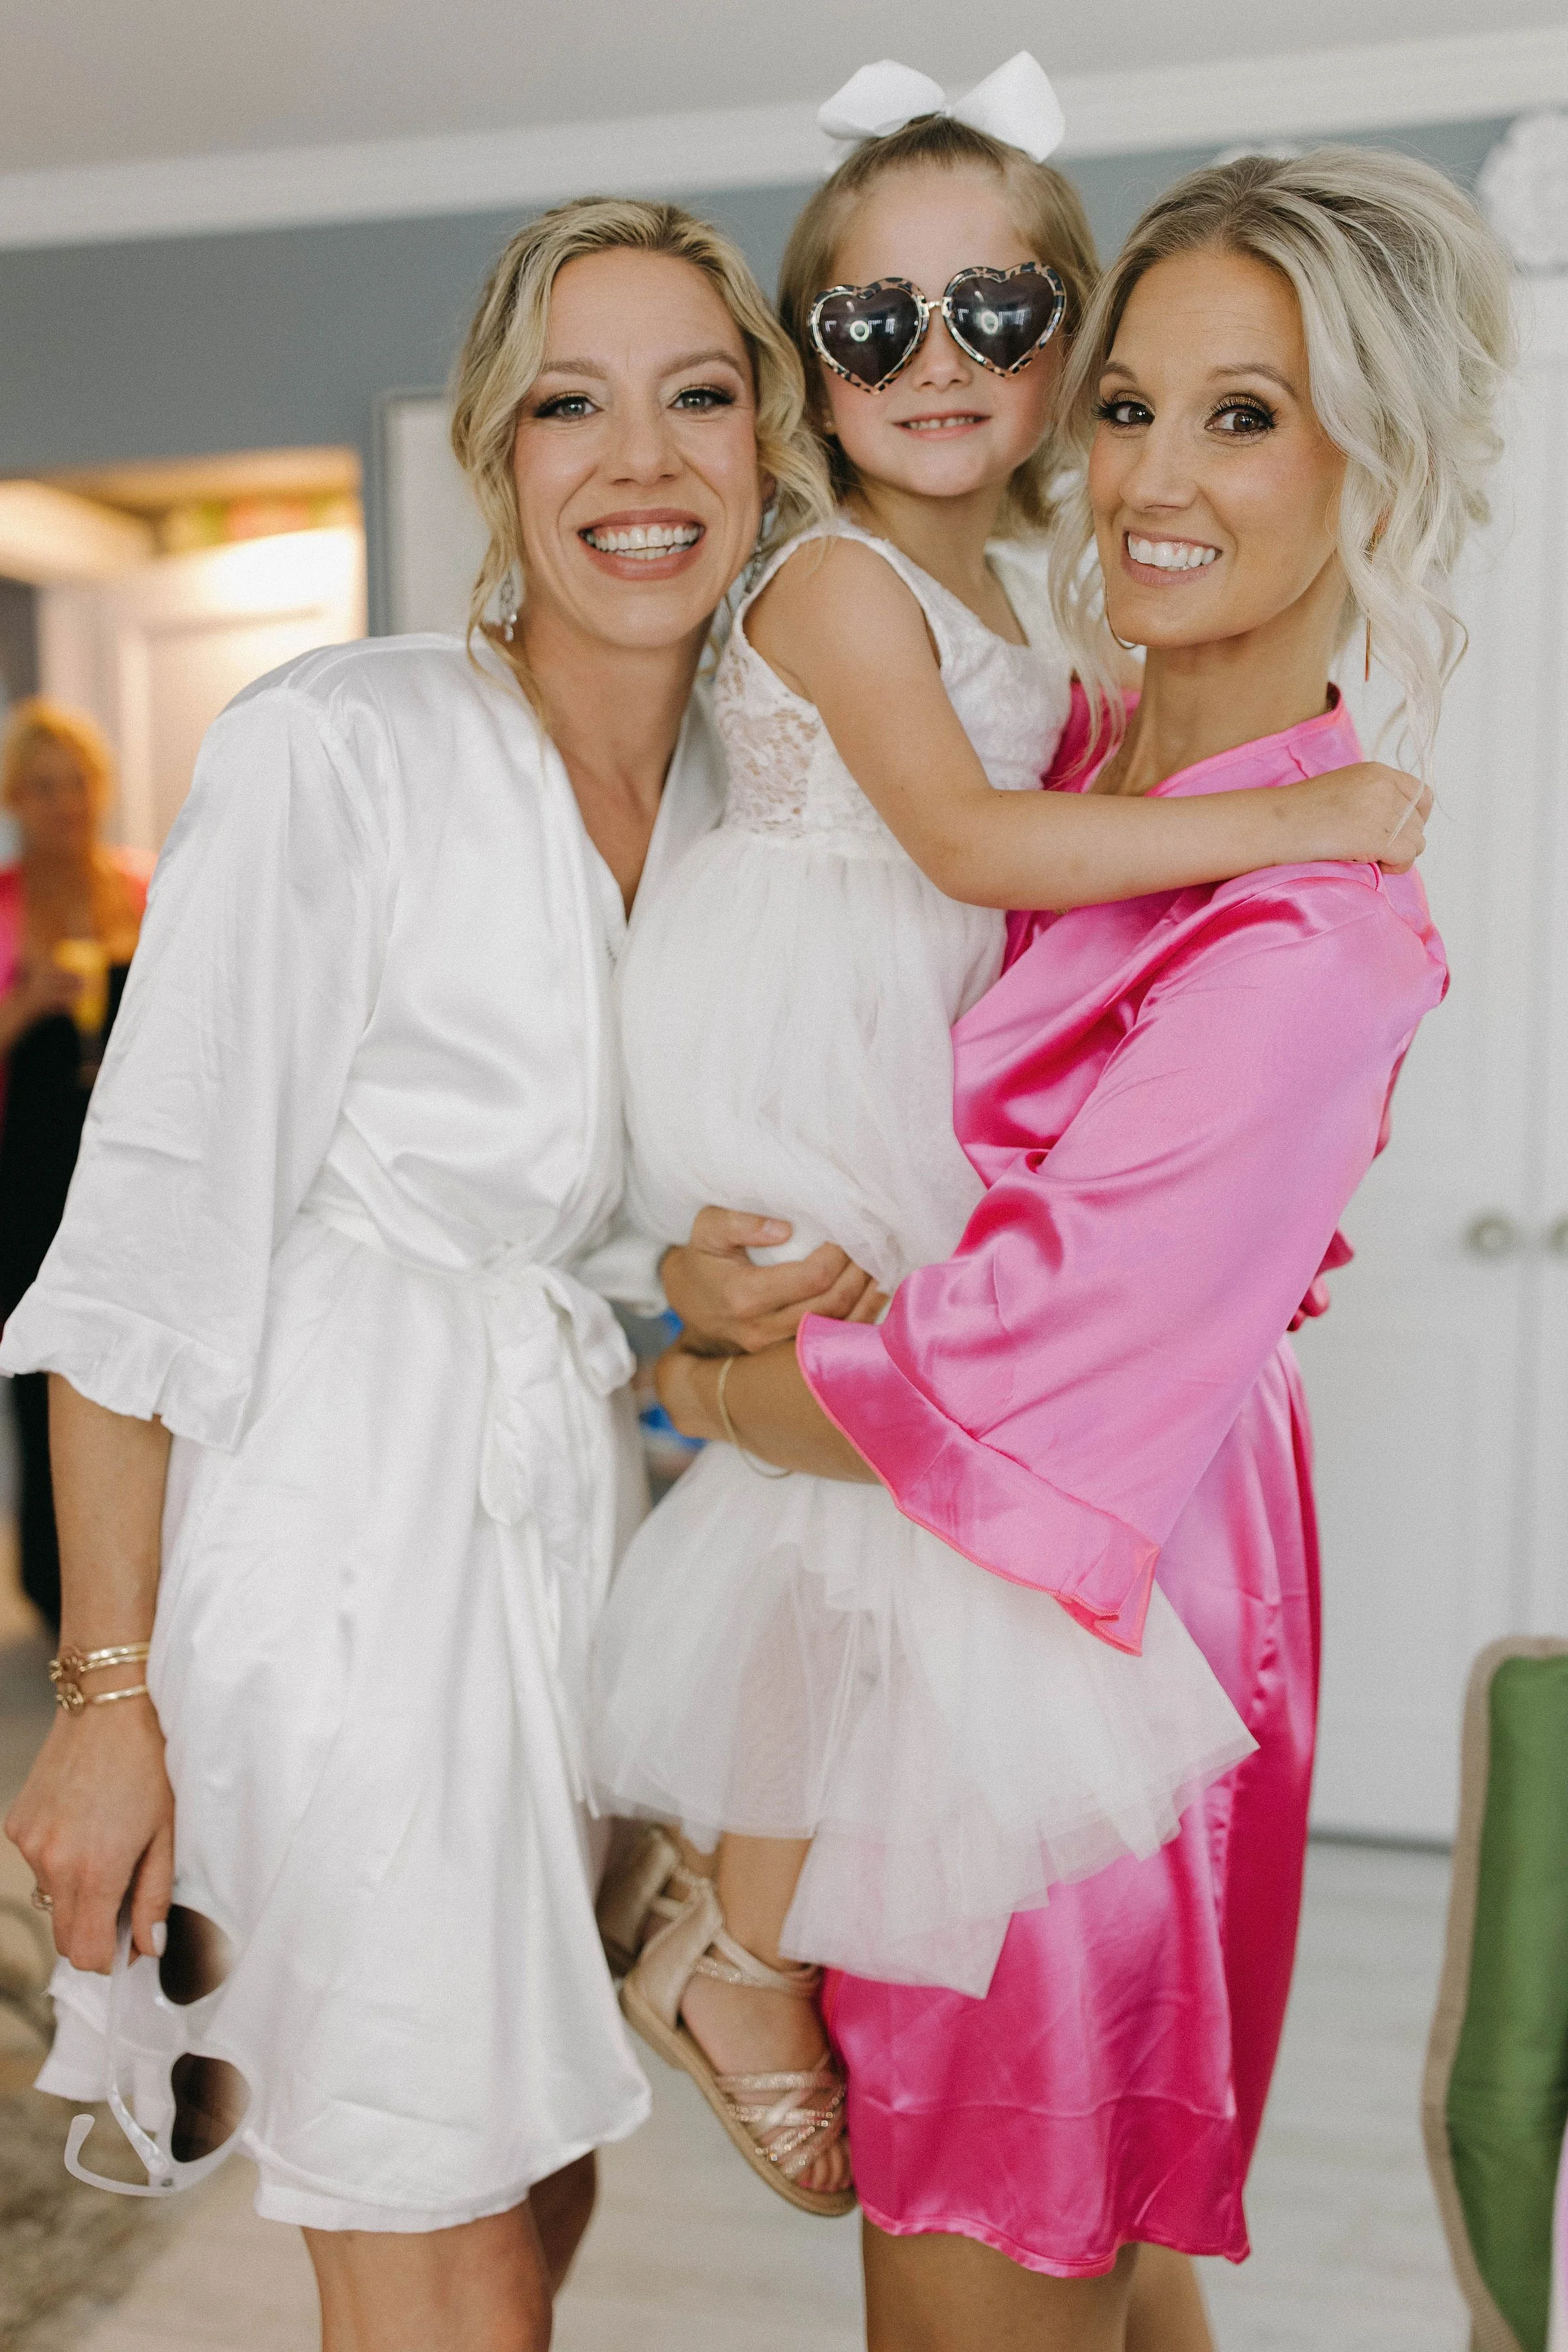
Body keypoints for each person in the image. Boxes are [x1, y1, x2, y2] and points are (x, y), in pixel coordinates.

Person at [652, 146, 1511, 2347]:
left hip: (1071, 1643)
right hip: (985, 1609)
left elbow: (998, 1377)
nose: (1151, 469)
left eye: (1248, 413)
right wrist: (732, 1270)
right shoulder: (1081, 757)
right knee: (1093, 2278)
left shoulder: (1310, 930)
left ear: (1376, 471)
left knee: (1000, 2250)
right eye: (1131, 401)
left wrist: (698, 1389)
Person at [0, 197, 845, 2352]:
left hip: (567, 1540)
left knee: (529, 2182)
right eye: (573, 403)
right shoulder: (340, 746)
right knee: (429, 2203)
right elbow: (146, 1245)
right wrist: (107, 1698)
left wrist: (710, 1288)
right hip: (336, 1546)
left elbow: (593, 1216)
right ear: (497, 450)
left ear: (768, 445)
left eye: (697, 396)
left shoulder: (765, 805)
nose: (638, 460)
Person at [0, 700, 150, 1629]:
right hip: (27, 1171)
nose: (65, 804)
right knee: (41, 1374)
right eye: (43, 787)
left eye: (78, 783)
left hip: (126, 1170)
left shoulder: (143, 888)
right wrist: (26, 1004)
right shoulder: (6, 906)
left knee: (132, 1371)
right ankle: (58, 1595)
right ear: (16, 799)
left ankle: (142, 1586)